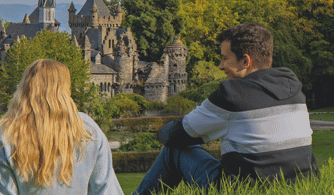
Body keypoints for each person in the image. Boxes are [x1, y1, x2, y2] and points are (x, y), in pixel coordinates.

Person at [133, 22, 318, 195]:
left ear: (245, 61)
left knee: (174, 149)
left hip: (241, 189)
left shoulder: (232, 94)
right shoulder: (292, 84)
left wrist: (161, 131)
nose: (220, 66)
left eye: (224, 58)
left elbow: (176, 135)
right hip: (299, 184)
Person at [0, 59, 123, 195]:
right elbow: (107, 190)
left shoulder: (5, 134)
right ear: (66, 89)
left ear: (25, 88)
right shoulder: (88, 129)